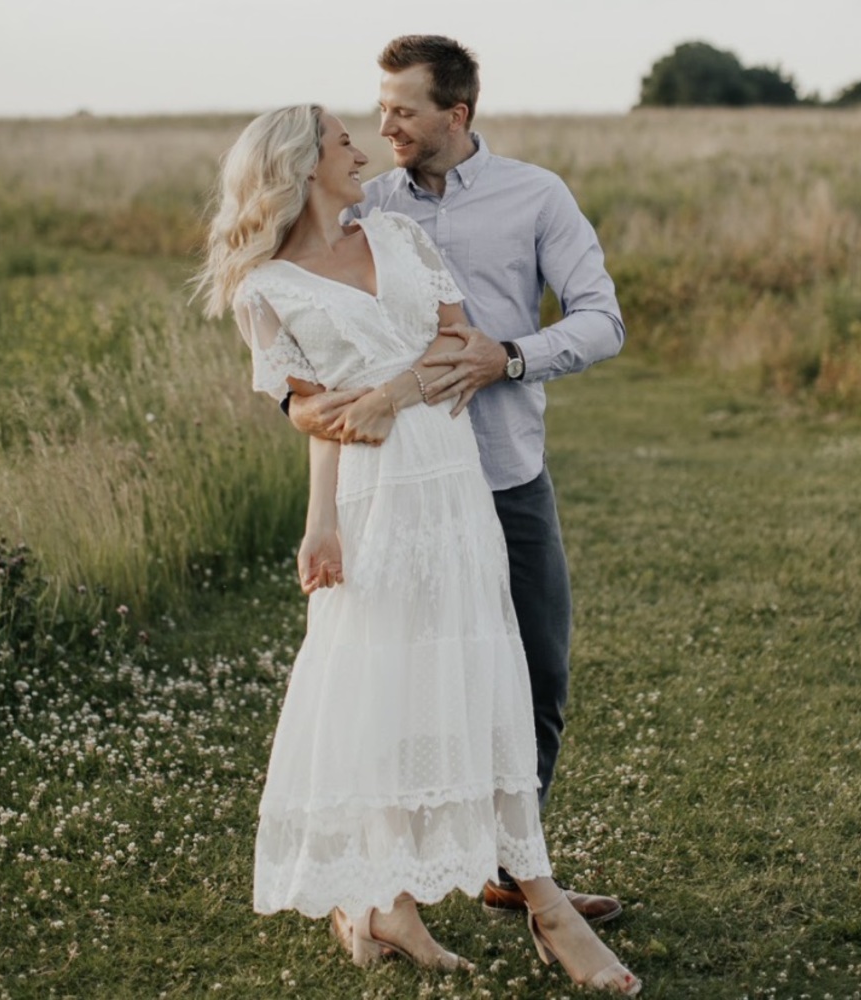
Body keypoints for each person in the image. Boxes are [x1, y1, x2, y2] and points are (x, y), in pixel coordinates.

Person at [196, 104, 641, 995]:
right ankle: (391, 900)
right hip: (370, 501)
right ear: (299, 166)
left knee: (480, 680)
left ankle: (536, 895)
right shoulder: (265, 290)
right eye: (339, 142)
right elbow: (318, 415)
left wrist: (393, 393)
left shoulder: (397, 235)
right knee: (382, 688)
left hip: (449, 481)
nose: (360, 147)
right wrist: (319, 520)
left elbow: (454, 348)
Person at [286, 35, 627, 922]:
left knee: (538, 678)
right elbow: (307, 334)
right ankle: (391, 882)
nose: (383, 125)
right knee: (396, 686)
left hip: (506, 478)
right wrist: (297, 411)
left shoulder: (535, 196)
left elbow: (602, 321)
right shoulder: (364, 205)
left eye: (403, 109)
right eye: (381, 108)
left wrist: (509, 357)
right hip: (397, 494)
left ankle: (513, 868)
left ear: (456, 114)